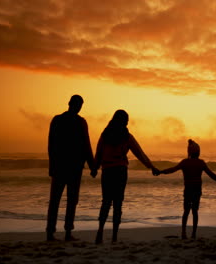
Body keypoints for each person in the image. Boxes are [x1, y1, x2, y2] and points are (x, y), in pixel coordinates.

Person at [92, 110, 159, 244]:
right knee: (118, 204)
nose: (128, 122)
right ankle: (114, 236)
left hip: (107, 172)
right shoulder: (126, 136)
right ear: (123, 121)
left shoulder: (105, 135)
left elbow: (98, 153)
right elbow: (140, 153)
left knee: (105, 202)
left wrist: (94, 168)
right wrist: (151, 167)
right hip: (120, 172)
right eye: (126, 120)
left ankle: (100, 231)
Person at [46, 95, 94, 241]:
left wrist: (52, 166)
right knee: (69, 200)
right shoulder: (79, 122)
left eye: (80, 105)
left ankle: (52, 232)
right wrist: (92, 166)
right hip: (72, 168)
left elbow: (51, 145)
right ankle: (65, 232)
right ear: (71, 104)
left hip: (63, 167)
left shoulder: (58, 120)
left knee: (57, 200)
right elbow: (86, 145)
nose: (78, 108)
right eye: (78, 105)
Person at [155, 139, 216, 239]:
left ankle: (183, 233)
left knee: (186, 211)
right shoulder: (201, 163)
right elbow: (211, 175)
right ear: (198, 152)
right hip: (197, 190)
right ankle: (193, 234)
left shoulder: (185, 162)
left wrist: (160, 172)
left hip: (188, 190)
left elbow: (172, 170)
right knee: (195, 212)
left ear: (189, 152)